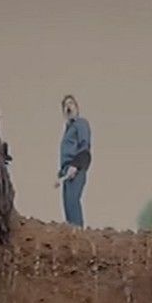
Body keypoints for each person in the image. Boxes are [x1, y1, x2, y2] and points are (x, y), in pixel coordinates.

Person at [54, 95, 91, 227]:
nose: (68, 107)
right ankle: (71, 233)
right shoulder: (68, 129)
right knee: (67, 205)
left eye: (71, 103)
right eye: (65, 105)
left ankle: (78, 233)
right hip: (66, 170)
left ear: (77, 107)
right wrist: (61, 174)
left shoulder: (81, 123)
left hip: (76, 167)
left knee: (72, 202)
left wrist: (75, 165)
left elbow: (85, 147)